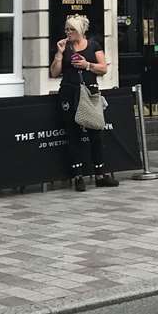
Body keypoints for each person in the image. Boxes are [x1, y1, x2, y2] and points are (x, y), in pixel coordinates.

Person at [50, 15, 118, 191]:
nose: (68, 32)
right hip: (69, 92)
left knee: (96, 132)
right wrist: (59, 53)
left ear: (81, 30)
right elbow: (54, 72)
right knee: (73, 134)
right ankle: (78, 176)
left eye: (71, 29)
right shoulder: (64, 47)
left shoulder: (94, 45)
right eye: (66, 29)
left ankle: (100, 174)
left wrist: (87, 65)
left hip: (89, 93)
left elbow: (103, 68)